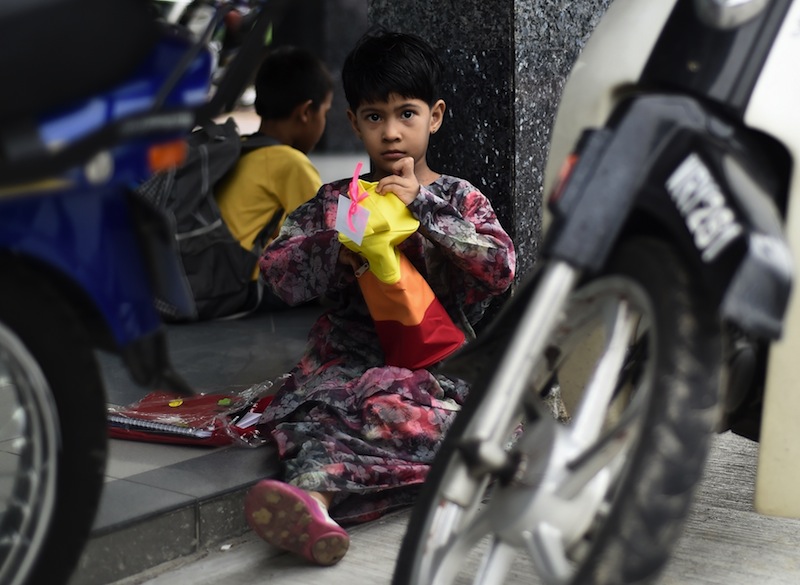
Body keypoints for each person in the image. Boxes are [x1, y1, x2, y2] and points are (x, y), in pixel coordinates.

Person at [243, 29, 516, 566]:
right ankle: (314, 506)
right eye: (374, 117)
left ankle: (332, 495)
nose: (391, 133)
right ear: (353, 122)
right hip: (344, 367)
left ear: (434, 116)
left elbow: (500, 269)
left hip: (437, 369)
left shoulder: (458, 197)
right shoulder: (336, 202)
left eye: (406, 115)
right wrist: (335, 251)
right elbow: (275, 271)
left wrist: (428, 213)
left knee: (418, 413)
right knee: (322, 418)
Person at [215, 45, 334, 278]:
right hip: (246, 284)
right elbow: (326, 234)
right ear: (306, 112)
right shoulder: (290, 162)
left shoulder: (241, 148)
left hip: (213, 275)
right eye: (325, 112)